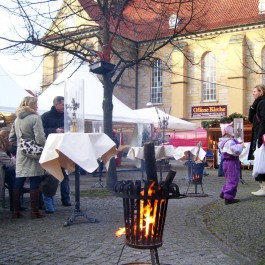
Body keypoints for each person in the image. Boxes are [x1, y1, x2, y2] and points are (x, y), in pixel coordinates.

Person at [9, 96, 46, 218]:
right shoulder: (35, 118)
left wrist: (21, 144)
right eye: (36, 103)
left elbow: (11, 138)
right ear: (31, 105)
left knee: (19, 180)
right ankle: (34, 211)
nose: (37, 106)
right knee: (35, 180)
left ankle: (15, 210)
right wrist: (44, 146)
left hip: (21, 153)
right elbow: (40, 138)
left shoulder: (17, 119)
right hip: (34, 152)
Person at [41, 96, 72, 207]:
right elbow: (41, 131)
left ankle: (66, 198)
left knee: (64, 175)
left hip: (63, 149)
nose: (64, 107)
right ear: (56, 104)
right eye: (63, 104)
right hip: (50, 149)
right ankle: (47, 201)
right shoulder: (45, 116)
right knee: (49, 176)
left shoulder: (67, 116)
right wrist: (55, 130)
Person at [218, 122, 244, 205]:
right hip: (232, 163)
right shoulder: (230, 142)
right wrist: (241, 146)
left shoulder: (223, 142)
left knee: (229, 179)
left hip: (226, 163)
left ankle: (224, 193)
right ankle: (228, 198)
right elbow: (236, 151)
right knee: (233, 180)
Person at [248, 84, 265, 196]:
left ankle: (263, 187)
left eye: (255, 91)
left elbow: (264, 121)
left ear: (261, 92)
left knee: (261, 162)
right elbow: (250, 119)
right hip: (258, 135)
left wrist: (259, 137)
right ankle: (262, 186)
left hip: (261, 137)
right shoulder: (257, 103)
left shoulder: (263, 103)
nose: (253, 93)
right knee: (259, 161)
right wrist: (252, 107)